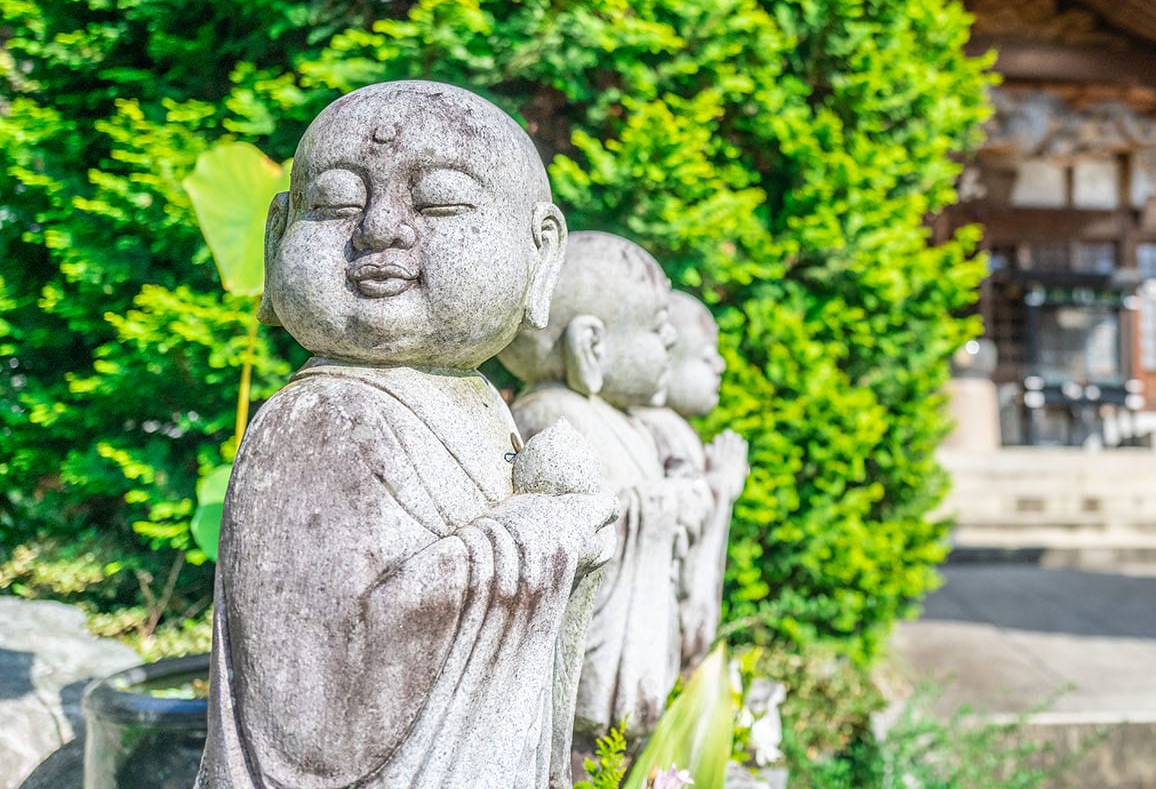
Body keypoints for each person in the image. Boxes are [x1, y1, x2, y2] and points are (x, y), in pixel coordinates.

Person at [198, 81, 618, 789]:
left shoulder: (471, 399)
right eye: (334, 204)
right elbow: (318, 720)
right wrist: (540, 528)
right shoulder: (318, 422)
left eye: (440, 202)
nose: (381, 228)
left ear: (540, 252)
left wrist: (570, 537)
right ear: (277, 239)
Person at [503, 233, 705, 738]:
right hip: (578, 698)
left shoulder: (620, 421)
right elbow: (589, 537)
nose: (671, 342)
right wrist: (661, 509)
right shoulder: (552, 416)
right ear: (589, 346)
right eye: (657, 327)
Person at [631, 291, 748, 667]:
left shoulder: (671, 431)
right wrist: (720, 487)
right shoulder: (658, 435)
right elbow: (687, 594)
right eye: (706, 354)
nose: (721, 364)